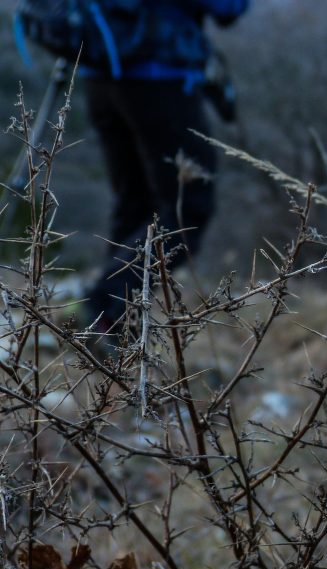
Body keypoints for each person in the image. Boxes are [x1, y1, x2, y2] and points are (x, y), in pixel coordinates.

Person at [81, 0, 249, 332]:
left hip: (99, 72)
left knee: (136, 205)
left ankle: (114, 333)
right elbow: (227, 8)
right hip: (158, 76)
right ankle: (107, 307)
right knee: (188, 208)